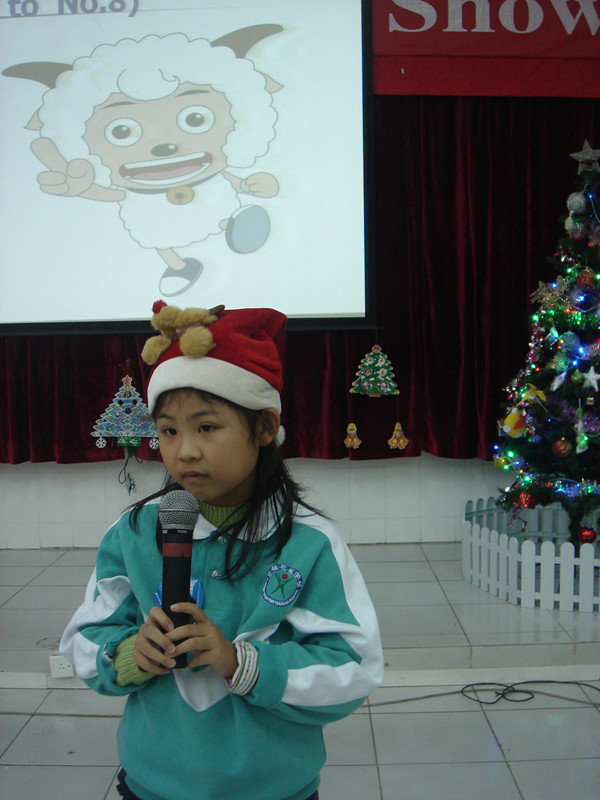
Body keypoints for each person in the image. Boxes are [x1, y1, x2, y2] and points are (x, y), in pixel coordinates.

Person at [60, 302, 384, 800]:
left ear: (264, 427)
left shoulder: (308, 543)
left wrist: (241, 664)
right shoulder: (134, 532)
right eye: (169, 430)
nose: (184, 451)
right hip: (151, 786)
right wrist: (128, 654)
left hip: (275, 789)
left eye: (206, 427)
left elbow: (354, 667)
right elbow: (82, 640)